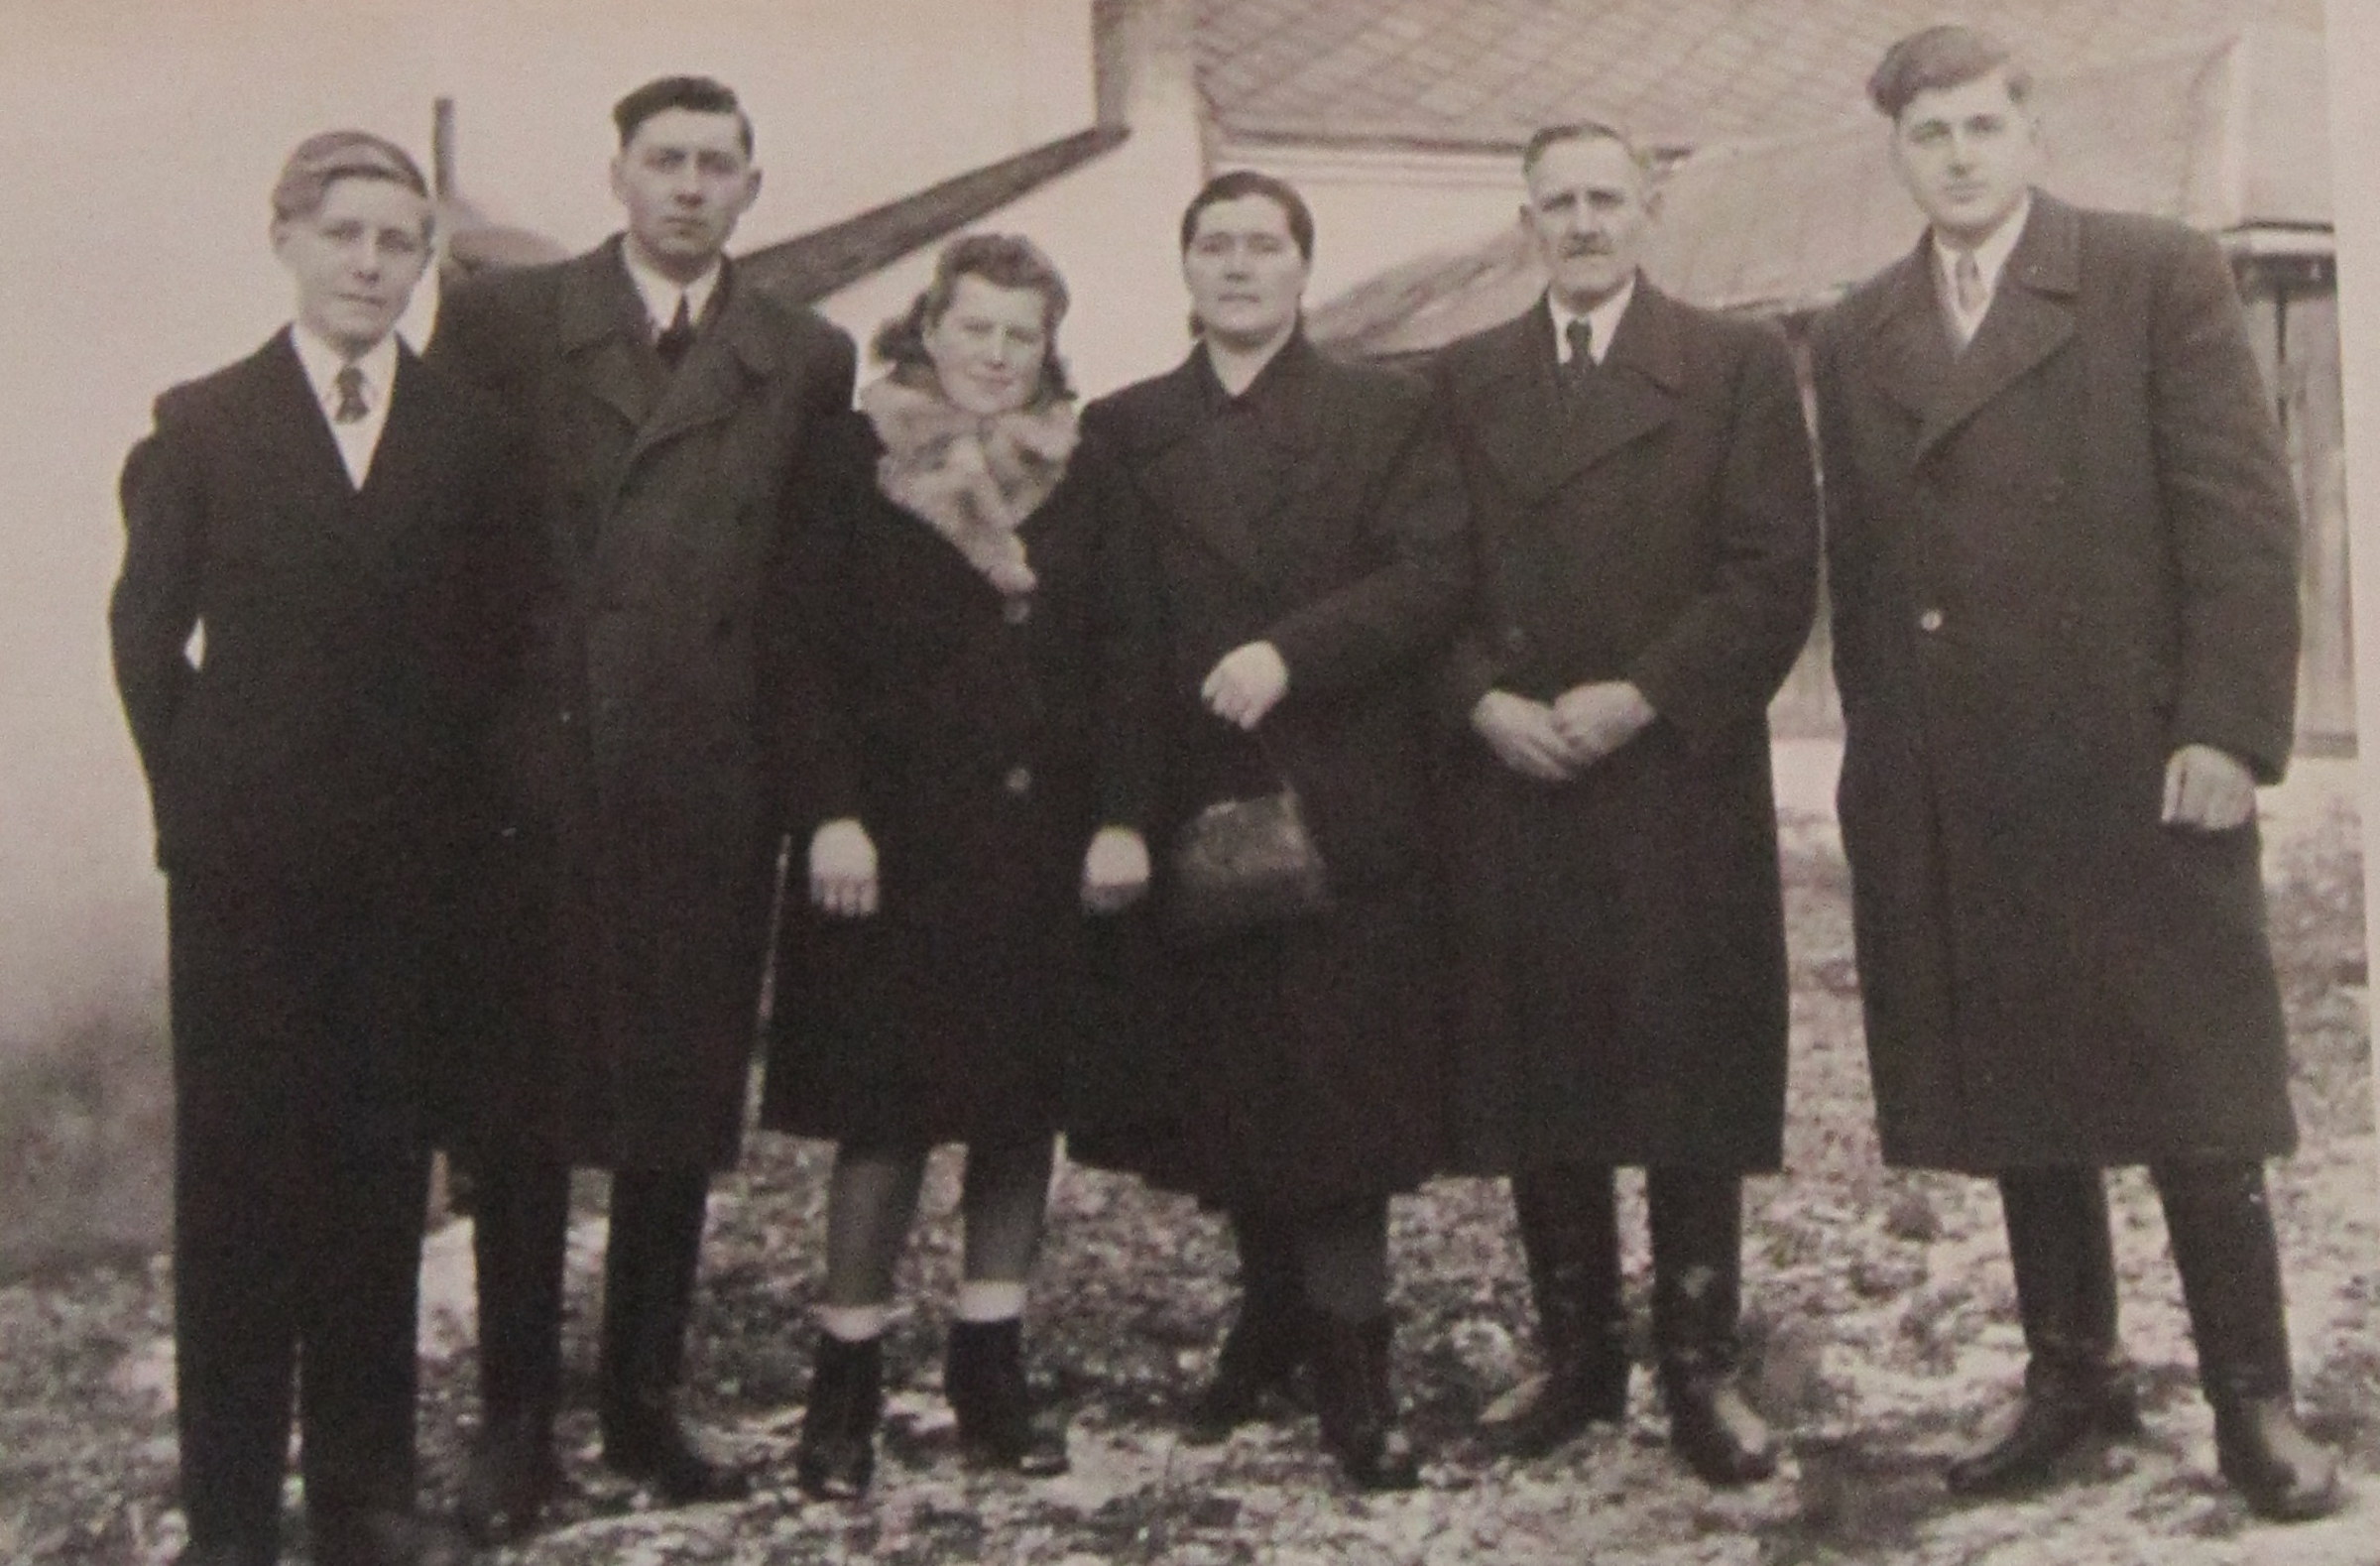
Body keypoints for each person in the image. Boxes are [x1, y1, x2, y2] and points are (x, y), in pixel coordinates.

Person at [1811, 25, 2341, 1521]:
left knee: (2193, 1085)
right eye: (1930, 135)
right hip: (1955, 770)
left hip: (2136, 758)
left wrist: (2228, 730)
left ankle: (2253, 1400)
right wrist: (1881, 762)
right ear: (1898, 153)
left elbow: (2242, 518)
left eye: (1984, 126)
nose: (1960, 157)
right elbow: (1864, 563)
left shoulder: (2151, 274)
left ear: (2032, 134)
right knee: (2020, 1077)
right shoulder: (1859, 330)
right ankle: (2075, 1376)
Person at [425, 76, 858, 1539]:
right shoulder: (504, 325)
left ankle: (643, 1399)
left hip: (703, 778)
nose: (688, 186)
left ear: (753, 188)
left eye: (715, 165)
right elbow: (457, 557)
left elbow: (801, 602)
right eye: (663, 160)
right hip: (534, 779)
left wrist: (813, 793)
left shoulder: (802, 354)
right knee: (522, 1110)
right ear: (616, 174)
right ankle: (514, 1423)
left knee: (675, 1100)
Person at [110, 131, 519, 1566]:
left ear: (423, 264)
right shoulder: (203, 423)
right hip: (245, 884)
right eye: (343, 233)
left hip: (410, 882)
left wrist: (457, 830)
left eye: (397, 241)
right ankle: (231, 1516)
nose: (368, 263)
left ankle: (362, 1498)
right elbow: (145, 639)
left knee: (375, 1181)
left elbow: (497, 653)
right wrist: (204, 808)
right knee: (237, 1190)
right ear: (285, 238)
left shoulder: (470, 437)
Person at [1429, 122, 1818, 1485]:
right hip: (1520, 768)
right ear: (1524, 221)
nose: (1584, 222)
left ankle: (1700, 1365)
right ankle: (1577, 1354)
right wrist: (1480, 699)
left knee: (1688, 1058)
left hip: (1673, 771)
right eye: (1559, 203)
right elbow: (1424, 571)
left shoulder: (1734, 363)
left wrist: (1646, 692)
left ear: (1650, 211)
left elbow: (1775, 571)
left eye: (1607, 199)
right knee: (1543, 1057)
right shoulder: (1466, 376)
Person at [759, 233, 1159, 1498]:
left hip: (1038, 844)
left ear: (1049, 349)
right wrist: (829, 815)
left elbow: (1129, 655)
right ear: (927, 329)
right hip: (889, 848)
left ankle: (990, 1364)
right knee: (882, 1117)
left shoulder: (1085, 472)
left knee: (1017, 1111)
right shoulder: (851, 457)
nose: (995, 355)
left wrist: (1123, 818)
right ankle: (844, 1382)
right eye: (974, 328)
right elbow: (799, 654)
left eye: (1020, 335)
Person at [1089, 171, 1468, 1491]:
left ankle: (1358, 1368)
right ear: (1185, 267)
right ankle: (1270, 1323)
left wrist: (1290, 654)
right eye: (1216, 245)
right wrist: (1123, 808)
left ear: (1305, 268)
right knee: (1232, 1079)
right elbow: (1108, 630)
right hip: (1196, 799)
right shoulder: (1126, 427)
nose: (1240, 266)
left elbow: (1434, 574)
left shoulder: (1385, 411)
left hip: (1347, 795)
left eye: (1265, 245)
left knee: (1340, 1088)